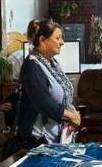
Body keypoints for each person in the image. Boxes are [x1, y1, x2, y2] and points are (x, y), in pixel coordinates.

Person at [16, 19, 81, 147]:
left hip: (57, 139)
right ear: (42, 40)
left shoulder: (53, 64)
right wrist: (71, 116)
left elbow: (63, 95)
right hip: (39, 141)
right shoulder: (31, 66)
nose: (62, 42)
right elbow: (43, 102)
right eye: (58, 38)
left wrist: (73, 113)